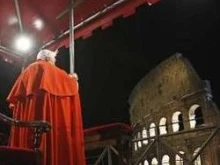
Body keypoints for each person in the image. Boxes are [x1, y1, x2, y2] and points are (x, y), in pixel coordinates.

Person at [6, 49, 86, 165]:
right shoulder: (47, 68)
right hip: (42, 124)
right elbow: (68, 84)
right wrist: (73, 79)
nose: (54, 62)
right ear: (48, 59)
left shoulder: (26, 71)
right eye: (54, 59)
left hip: (27, 124)